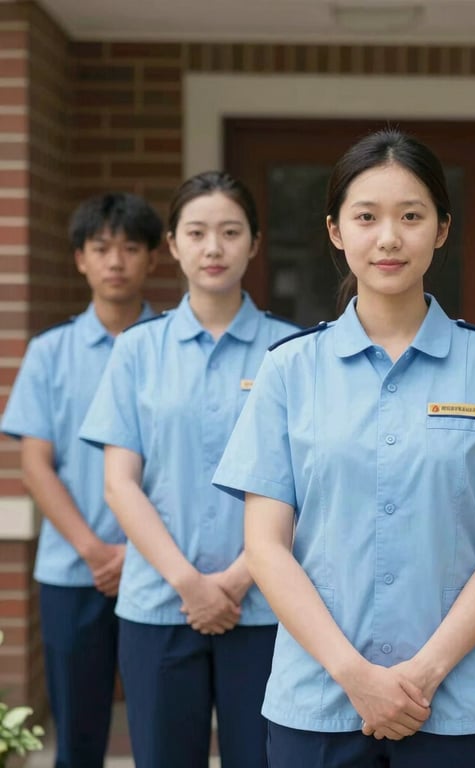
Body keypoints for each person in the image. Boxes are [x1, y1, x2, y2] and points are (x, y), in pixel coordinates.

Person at [211, 128, 475, 768]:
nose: (389, 237)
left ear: (441, 229)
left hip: (459, 703)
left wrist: (422, 676)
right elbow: (265, 546)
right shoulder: (289, 370)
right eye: (367, 217)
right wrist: (355, 676)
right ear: (335, 231)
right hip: (318, 700)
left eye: (411, 216)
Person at [78, 171, 298, 768]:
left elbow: (309, 486)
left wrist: (237, 579)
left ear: (254, 243)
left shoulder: (293, 352)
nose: (213, 248)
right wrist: (189, 583)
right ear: (172, 244)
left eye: (231, 232)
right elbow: (120, 483)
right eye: (197, 233)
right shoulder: (137, 350)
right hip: (159, 605)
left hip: (268, 605)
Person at [0, 193, 162, 768]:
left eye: (130, 248)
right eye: (101, 248)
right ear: (80, 260)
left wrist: (139, 555)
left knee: (162, 735)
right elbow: (35, 465)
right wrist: (94, 552)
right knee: (78, 738)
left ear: (151, 260)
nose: (115, 261)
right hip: (73, 571)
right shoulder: (50, 353)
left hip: (162, 573)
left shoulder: (172, 347)